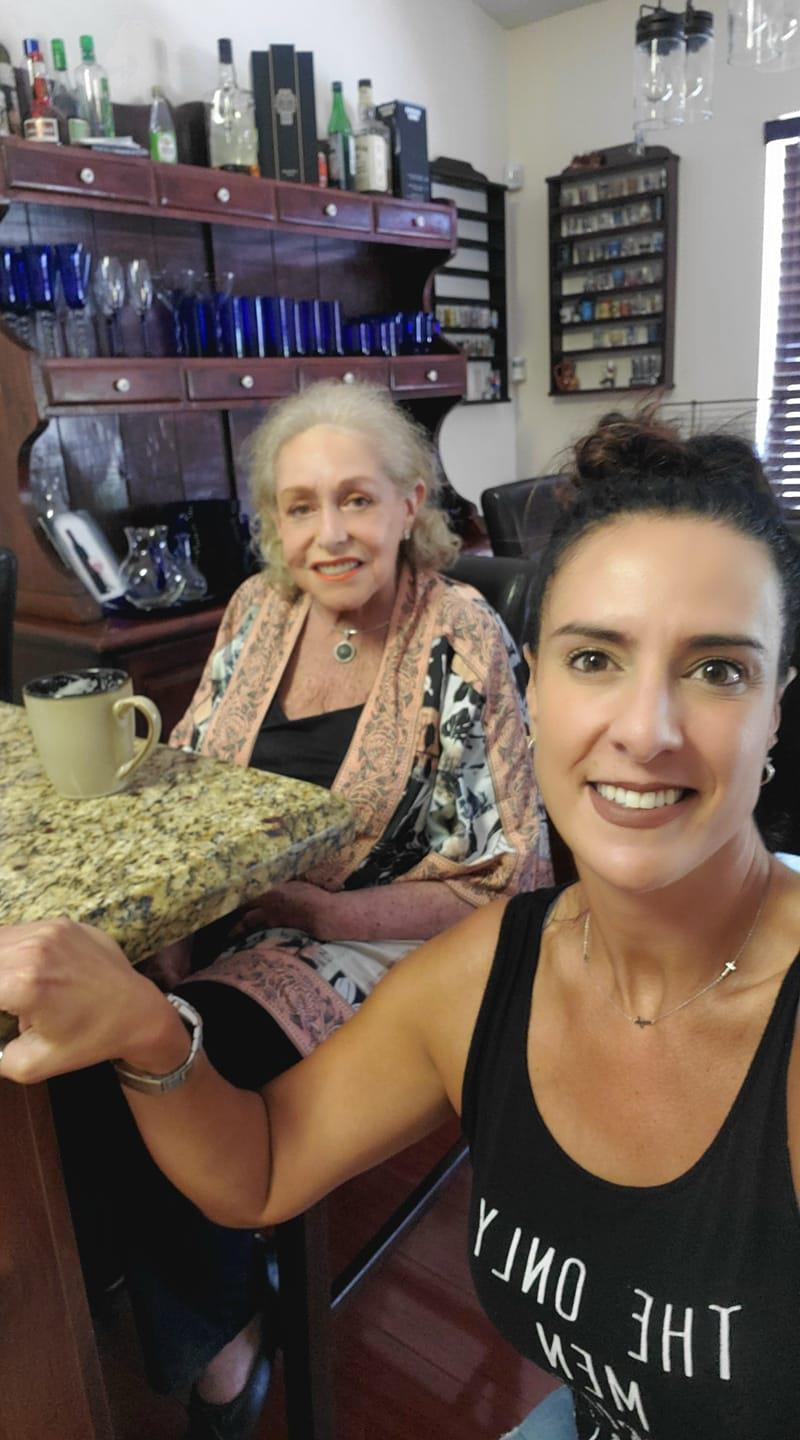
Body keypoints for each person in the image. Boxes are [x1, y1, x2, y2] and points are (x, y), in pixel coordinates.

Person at [3, 409, 799, 1440]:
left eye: (715, 670)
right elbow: (267, 1162)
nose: (642, 730)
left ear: (777, 707)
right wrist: (145, 1028)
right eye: (593, 659)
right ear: (538, 685)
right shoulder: (485, 980)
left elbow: (488, 862)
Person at [50, 378, 552, 1440]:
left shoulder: (457, 628)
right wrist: (173, 935)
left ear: (411, 503)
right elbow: (187, 777)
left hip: (392, 933)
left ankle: (226, 1342)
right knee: (76, 1042)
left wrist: (325, 920)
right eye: (299, 505)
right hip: (234, 917)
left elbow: (514, 872)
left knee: (177, 1059)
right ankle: (155, 1290)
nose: (329, 534)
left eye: (356, 501)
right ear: (271, 523)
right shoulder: (255, 609)